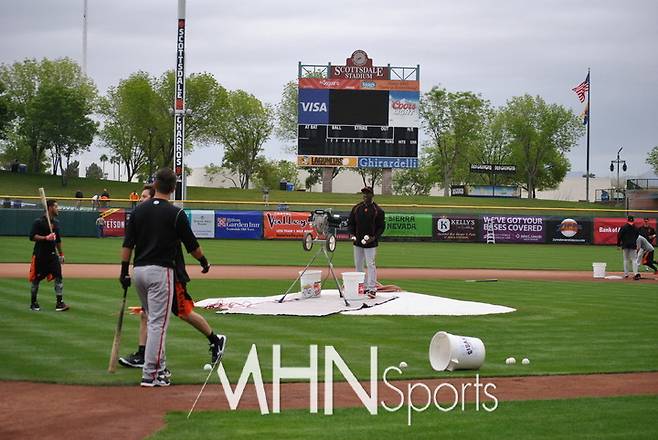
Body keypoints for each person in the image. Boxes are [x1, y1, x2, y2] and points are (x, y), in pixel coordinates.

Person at [120, 169, 212, 387]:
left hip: (138, 271)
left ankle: (159, 370)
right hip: (160, 272)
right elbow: (192, 246)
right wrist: (204, 262)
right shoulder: (175, 213)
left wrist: (123, 271)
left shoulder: (138, 211)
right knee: (158, 324)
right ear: (173, 188)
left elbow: (127, 245)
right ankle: (151, 374)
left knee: (153, 320)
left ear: (154, 184)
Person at [28, 199, 69, 312]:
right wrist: (46, 238)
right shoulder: (39, 222)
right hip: (40, 255)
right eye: (56, 206)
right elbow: (32, 236)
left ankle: (59, 303)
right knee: (36, 280)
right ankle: (33, 302)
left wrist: (61, 254)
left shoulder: (56, 223)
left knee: (59, 277)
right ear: (50, 208)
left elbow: (58, 240)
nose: (58, 208)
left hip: (52, 255)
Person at [348, 186, 386, 298]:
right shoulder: (356, 208)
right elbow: (351, 223)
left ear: (372, 195)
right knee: (358, 265)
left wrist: (374, 238)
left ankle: (372, 288)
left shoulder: (377, 210)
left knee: (371, 264)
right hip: (357, 242)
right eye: (364, 193)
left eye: (367, 193)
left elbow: (381, 227)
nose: (365, 195)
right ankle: (362, 286)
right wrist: (352, 234)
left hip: (371, 243)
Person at [617, 215, 640, 280]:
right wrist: (633, 241)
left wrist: (618, 244)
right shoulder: (636, 228)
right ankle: (635, 273)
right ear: (633, 220)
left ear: (627, 220)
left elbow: (619, 236)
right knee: (634, 260)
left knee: (626, 259)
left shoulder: (624, 227)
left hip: (625, 245)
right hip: (633, 245)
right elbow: (637, 236)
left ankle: (626, 274)